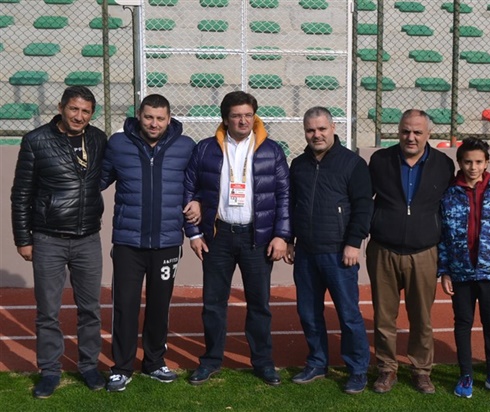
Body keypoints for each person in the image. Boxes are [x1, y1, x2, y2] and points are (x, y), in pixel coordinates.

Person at [183, 91, 291, 386]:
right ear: (225, 119)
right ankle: (211, 361)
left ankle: (263, 363)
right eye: (236, 116)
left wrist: (281, 235)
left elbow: (284, 195)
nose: (243, 121)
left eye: (248, 115)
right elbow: (189, 188)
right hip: (218, 236)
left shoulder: (272, 150)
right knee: (213, 303)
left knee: (259, 304)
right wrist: (193, 233)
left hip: (257, 237)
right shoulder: (205, 149)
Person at [10, 86, 107, 398]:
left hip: (88, 238)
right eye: (74, 109)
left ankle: (89, 366)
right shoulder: (36, 140)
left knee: (90, 309)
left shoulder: (98, 138)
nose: (79, 116)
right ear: (61, 107)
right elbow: (21, 194)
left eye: (86, 111)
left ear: (92, 114)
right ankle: (50, 371)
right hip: (48, 238)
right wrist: (23, 239)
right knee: (48, 311)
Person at [100, 94, 196, 392]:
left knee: (159, 306)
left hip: (167, 242)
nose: (154, 124)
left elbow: (197, 185)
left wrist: (199, 202)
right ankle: (122, 367)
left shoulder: (186, 146)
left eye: (160, 118)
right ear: (139, 115)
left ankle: (154, 362)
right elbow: (97, 181)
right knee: (125, 306)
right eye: (149, 117)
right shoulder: (118, 144)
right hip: (128, 242)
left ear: (169, 119)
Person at [284, 107, 372, 394]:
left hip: (339, 253)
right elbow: (291, 204)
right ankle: (317, 362)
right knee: (308, 313)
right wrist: (289, 239)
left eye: (322, 129)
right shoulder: (298, 164)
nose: (316, 135)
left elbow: (363, 206)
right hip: (306, 253)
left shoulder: (353, 164)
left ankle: (357, 369)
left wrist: (353, 242)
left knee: (348, 315)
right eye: (310, 130)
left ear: (333, 128)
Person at [366, 109, 455, 394]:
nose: (411, 137)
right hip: (384, 249)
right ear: (398, 131)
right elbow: (365, 200)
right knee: (384, 317)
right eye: (405, 131)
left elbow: (447, 208)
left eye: (417, 132)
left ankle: (421, 370)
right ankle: (386, 368)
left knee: (422, 318)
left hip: (424, 252)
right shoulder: (380, 160)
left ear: (429, 133)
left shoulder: (443, 164)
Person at [438, 137, 490, 398]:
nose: (472, 167)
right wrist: (444, 271)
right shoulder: (449, 195)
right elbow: (442, 236)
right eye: (467, 162)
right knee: (463, 323)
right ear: (459, 163)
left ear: (486, 163)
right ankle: (466, 375)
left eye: (478, 162)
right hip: (460, 272)